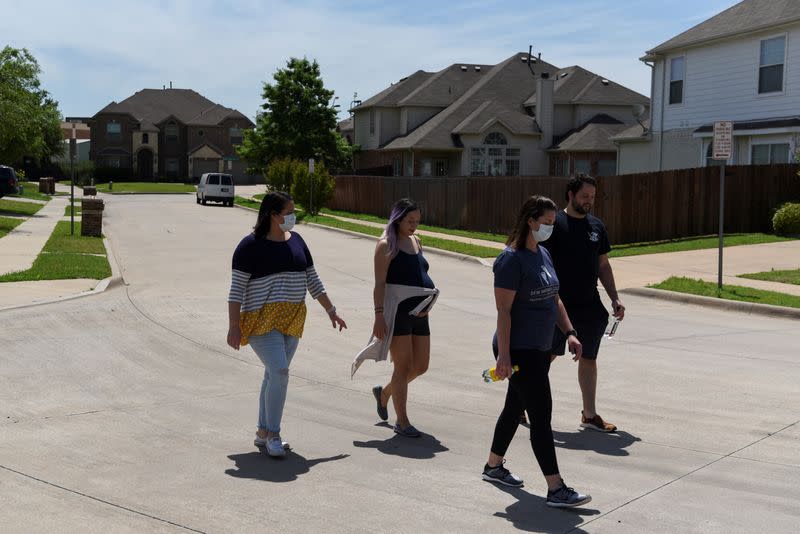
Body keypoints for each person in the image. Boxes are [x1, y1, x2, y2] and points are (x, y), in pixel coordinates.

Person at [482, 195, 592, 508]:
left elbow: (554, 298)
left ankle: (493, 466)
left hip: (539, 348)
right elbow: (504, 311)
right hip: (518, 350)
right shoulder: (510, 260)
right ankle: (556, 488)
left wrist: (569, 332)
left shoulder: (543, 254)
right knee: (541, 416)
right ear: (530, 221)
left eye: (552, 223)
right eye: (546, 223)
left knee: (513, 407)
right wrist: (504, 357)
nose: (550, 228)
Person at [226, 191, 347, 457]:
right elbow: (236, 291)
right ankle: (273, 434)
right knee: (280, 372)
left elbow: (313, 280)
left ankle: (261, 432)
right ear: (272, 214)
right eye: (288, 212)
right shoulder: (250, 246)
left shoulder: (298, 242)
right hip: (260, 322)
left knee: (273, 375)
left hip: (292, 321)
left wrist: (331, 310)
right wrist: (234, 325)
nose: (292, 217)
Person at [542, 173, 625, 433]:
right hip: (557, 305)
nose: (589, 201)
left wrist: (614, 297)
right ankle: (520, 402)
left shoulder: (596, 227)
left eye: (593, 197)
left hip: (589, 305)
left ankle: (589, 415)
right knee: (547, 356)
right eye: (584, 196)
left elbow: (603, 264)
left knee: (589, 357)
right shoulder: (554, 224)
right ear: (571, 195)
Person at [370, 198, 435, 438]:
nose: (414, 225)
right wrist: (378, 317)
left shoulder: (417, 241)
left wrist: (428, 302)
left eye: (417, 221)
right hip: (397, 314)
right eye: (410, 220)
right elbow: (379, 284)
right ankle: (402, 421)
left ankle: (385, 393)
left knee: (421, 366)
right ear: (397, 219)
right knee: (403, 366)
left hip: (421, 313)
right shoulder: (386, 244)